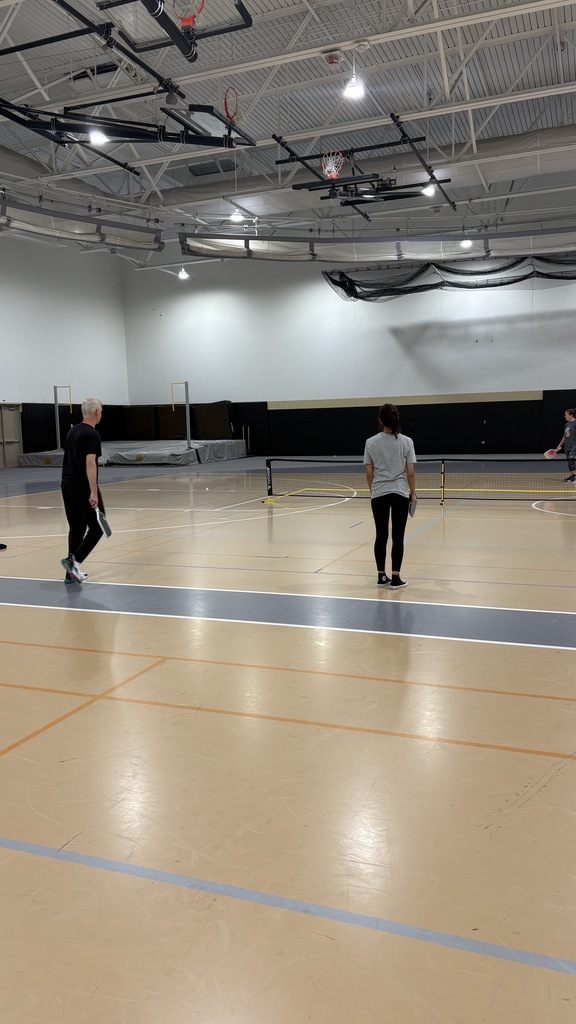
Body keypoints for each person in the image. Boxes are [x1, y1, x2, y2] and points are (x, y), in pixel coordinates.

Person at [364, 403, 417, 590]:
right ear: (397, 419)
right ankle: (395, 578)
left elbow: (369, 474)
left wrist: (374, 491)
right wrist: (413, 494)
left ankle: (381, 576)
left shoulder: (370, 442)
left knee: (381, 535)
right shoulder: (407, 442)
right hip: (400, 493)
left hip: (379, 493)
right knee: (398, 536)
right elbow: (410, 472)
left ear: (380, 420)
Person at [60, 398, 105, 584]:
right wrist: (93, 492)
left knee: (77, 528)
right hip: (82, 486)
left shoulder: (72, 431)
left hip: (67, 484)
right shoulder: (92, 434)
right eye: (101, 410)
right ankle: (73, 561)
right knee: (98, 527)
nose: (101, 413)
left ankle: (71, 575)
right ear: (96, 412)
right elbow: (90, 463)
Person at [556, 408, 576, 483]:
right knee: (569, 461)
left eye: (566, 415)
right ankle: (572, 476)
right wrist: (559, 446)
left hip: (574, 446)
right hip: (567, 446)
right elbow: (564, 436)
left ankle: (574, 475)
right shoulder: (566, 425)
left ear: (571, 415)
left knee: (571, 458)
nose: (565, 416)